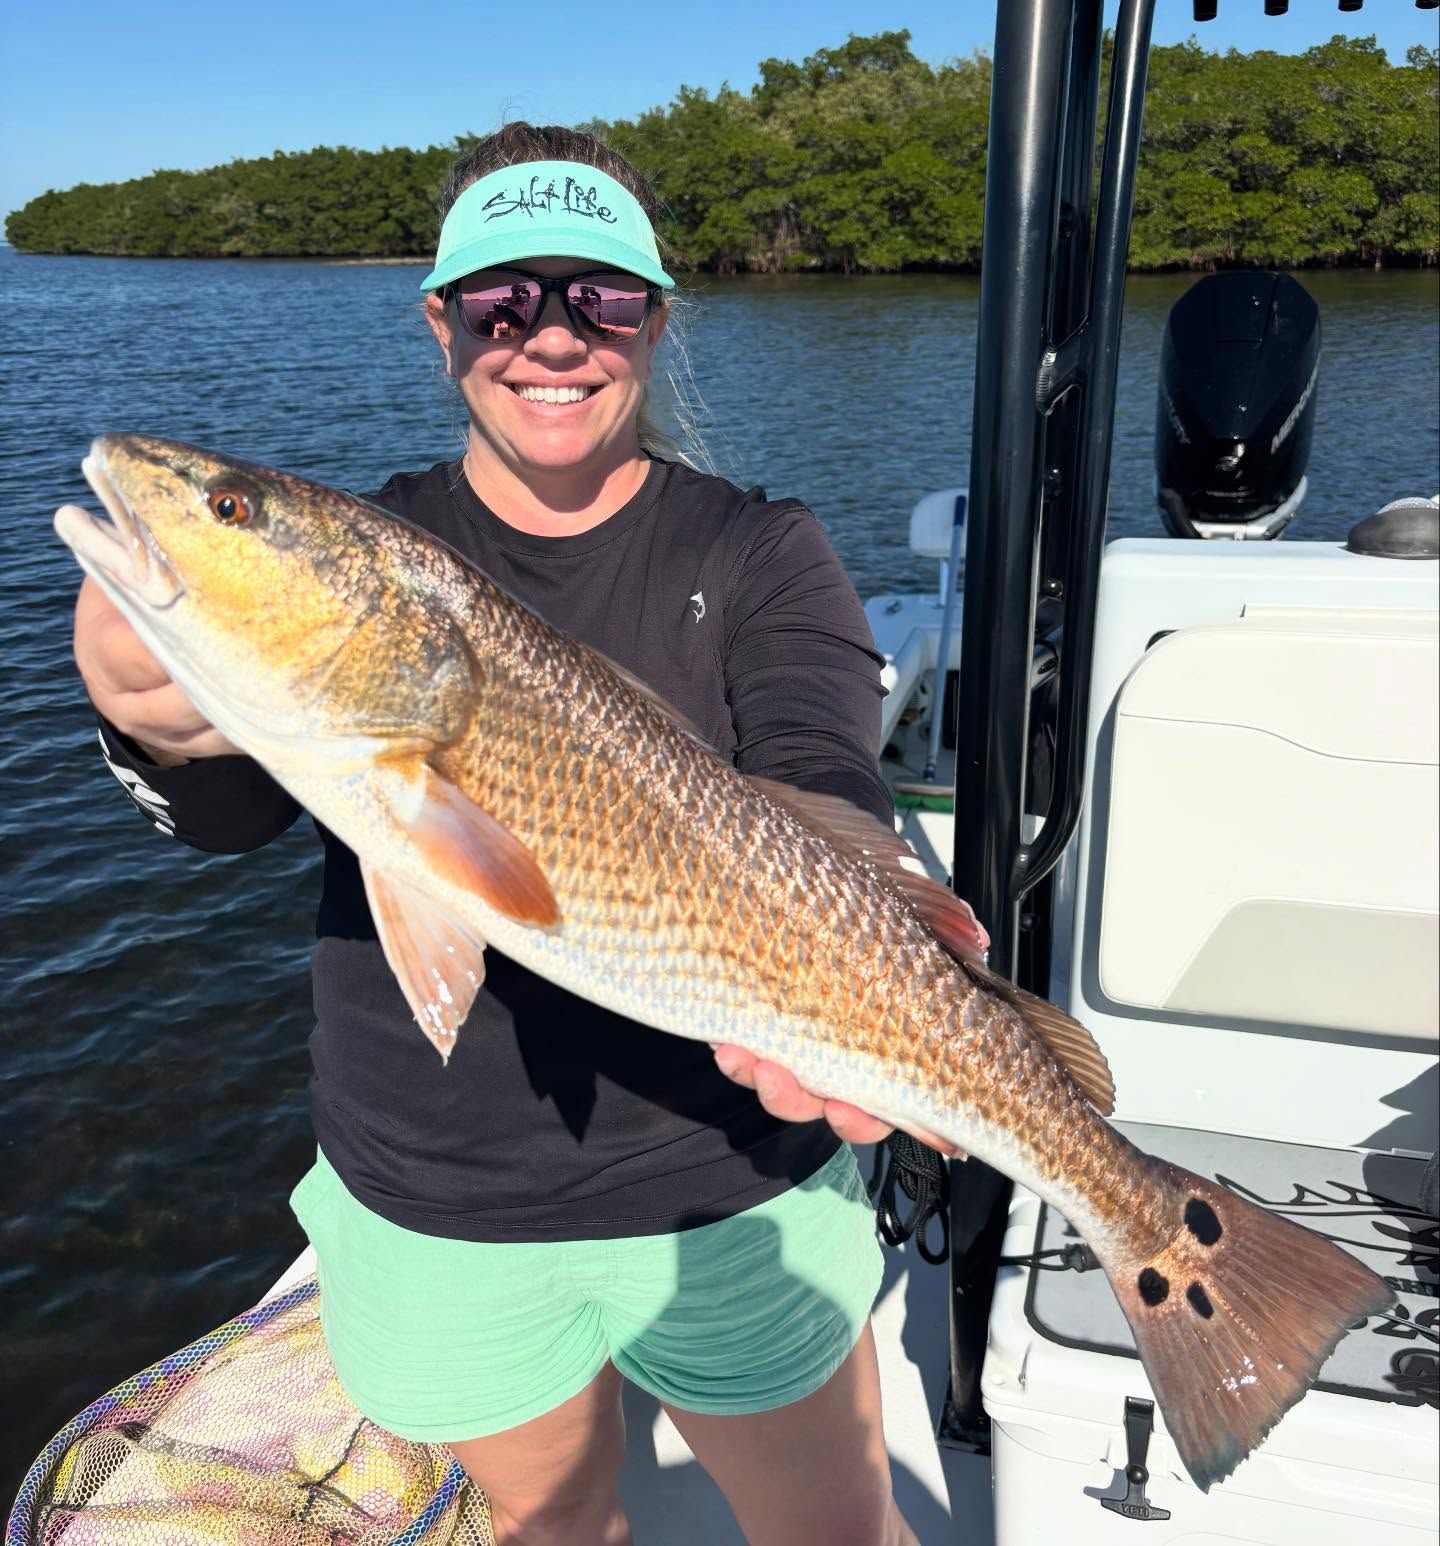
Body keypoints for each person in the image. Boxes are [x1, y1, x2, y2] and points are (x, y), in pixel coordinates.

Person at [72, 124, 937, 1546]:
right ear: (443, 322)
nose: (552, 337)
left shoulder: (759, 546)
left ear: (655, 318)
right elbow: (223, 813)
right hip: (435, 1196)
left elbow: (819, 765)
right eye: (503, 299)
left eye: (600, 297)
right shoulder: (386, 543)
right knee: (549, 1528)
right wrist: (152, 721)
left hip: (732, 1183)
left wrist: (867, 967)